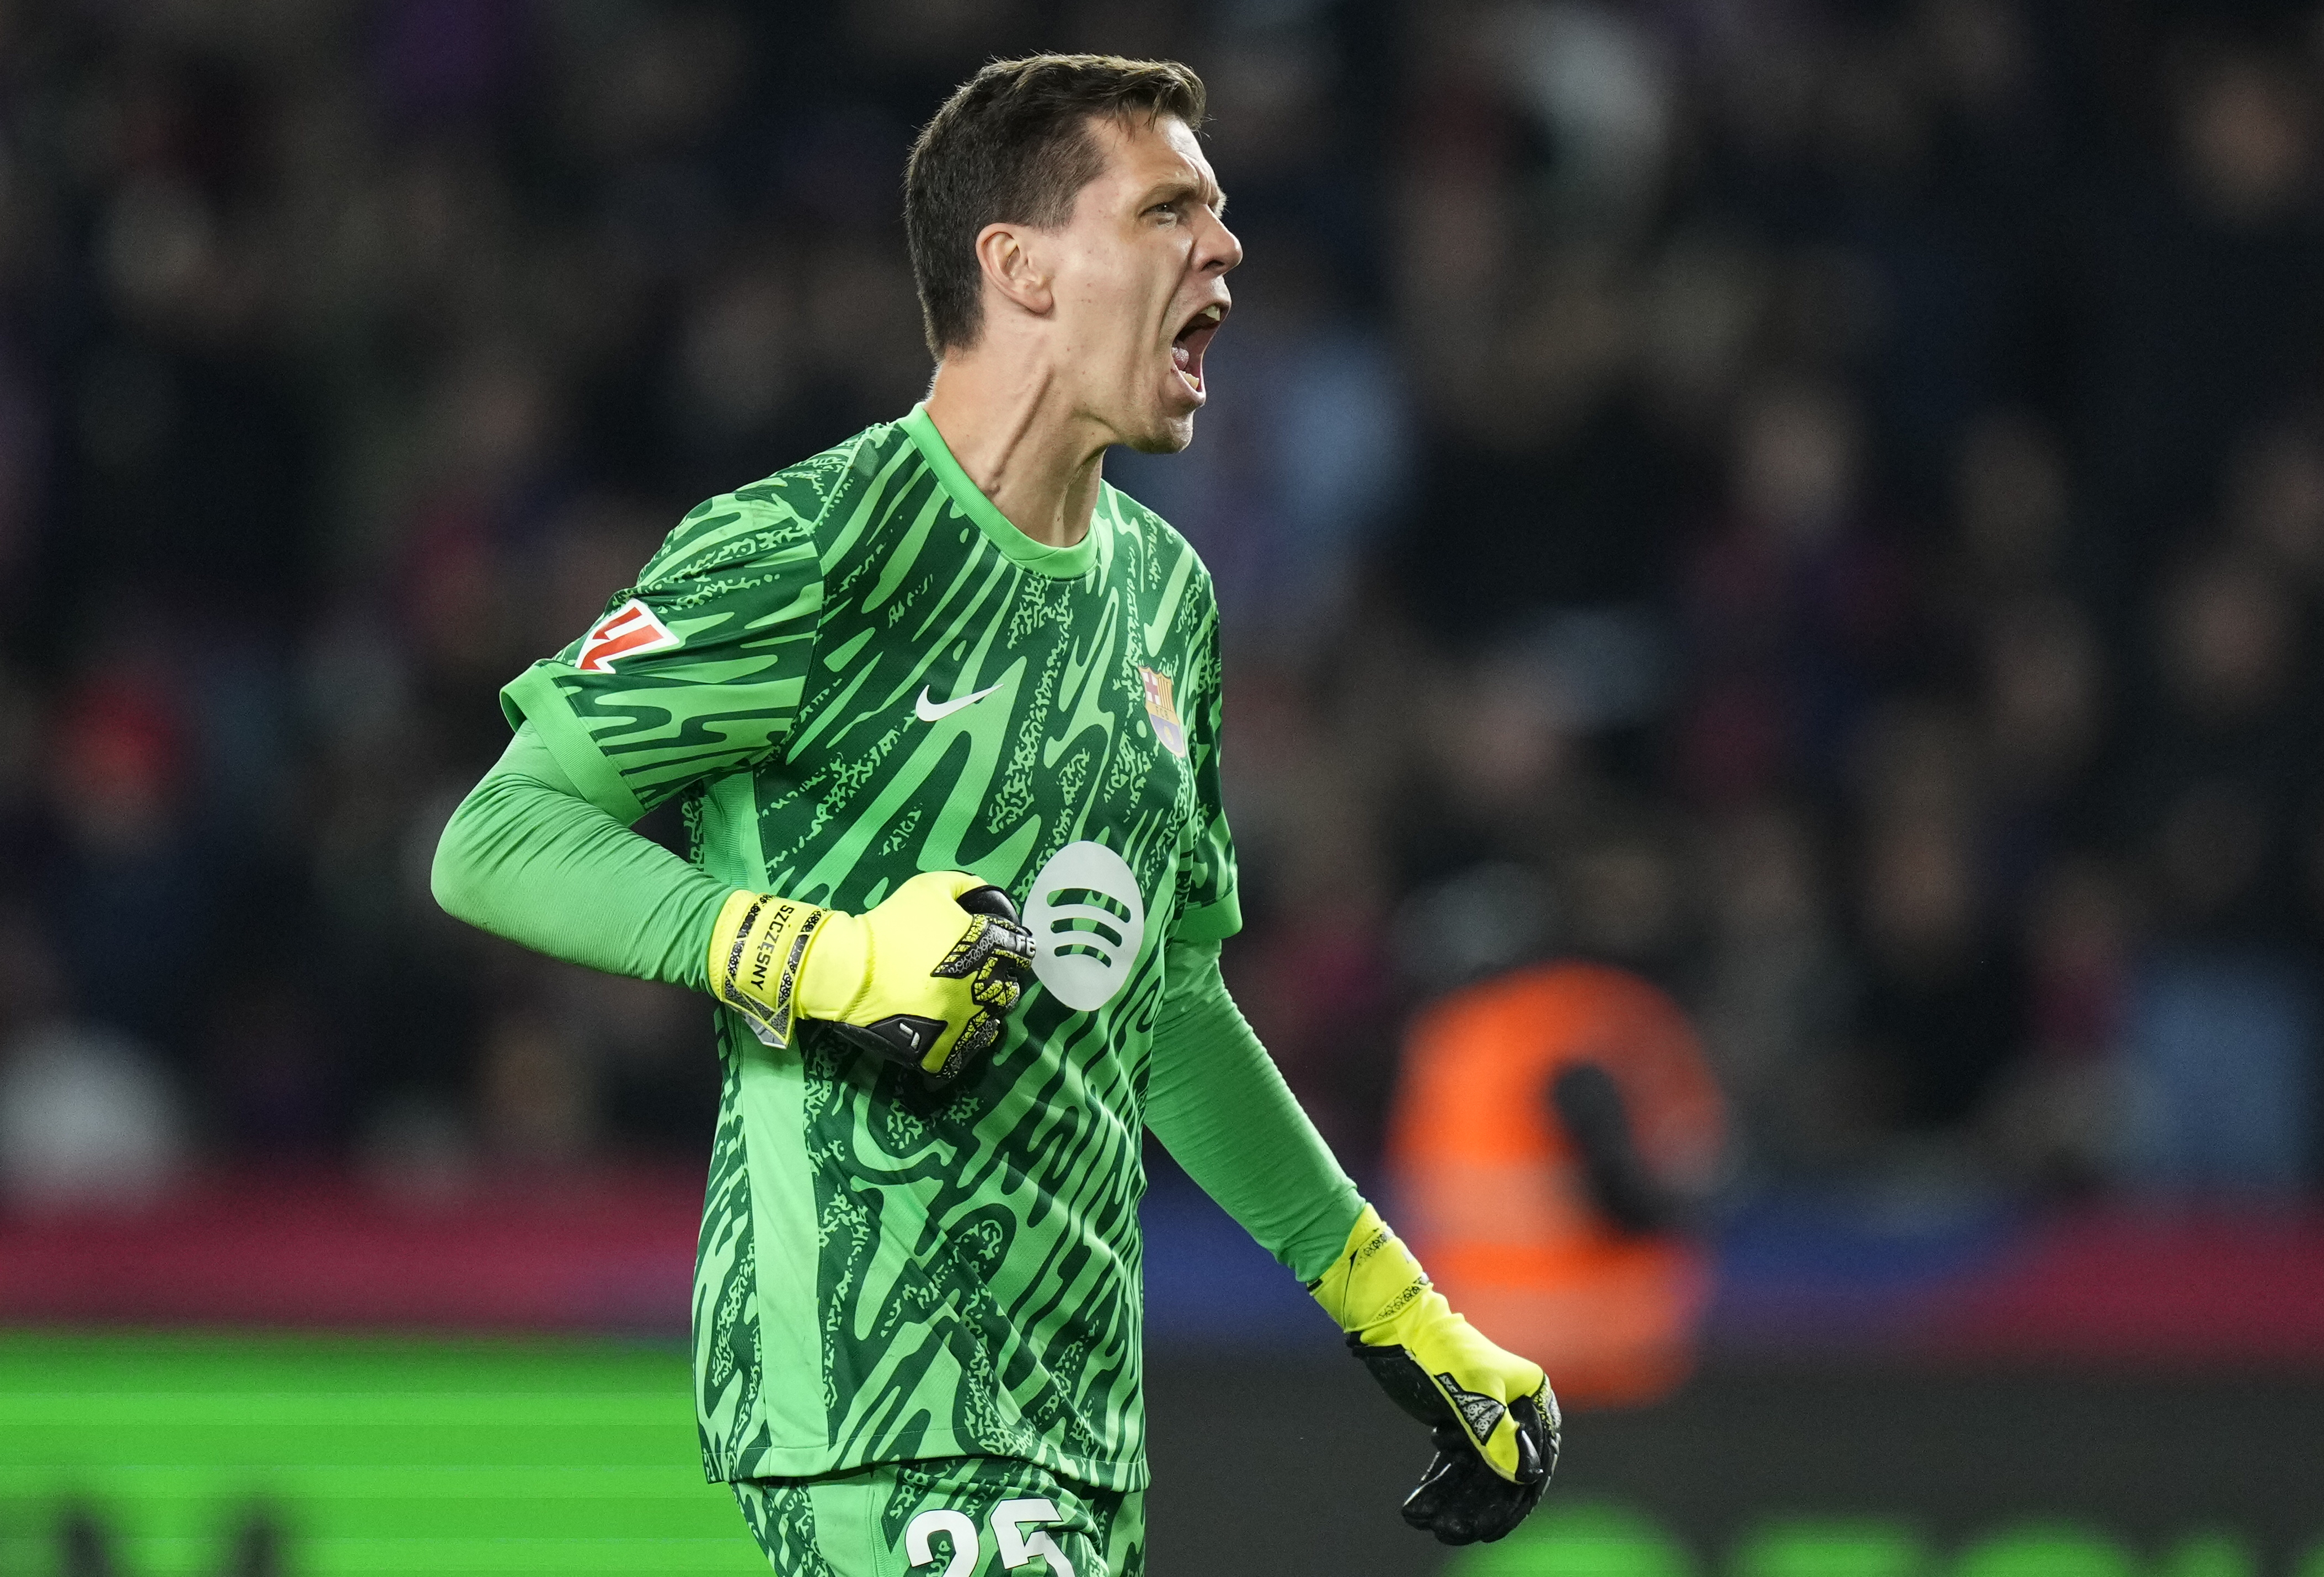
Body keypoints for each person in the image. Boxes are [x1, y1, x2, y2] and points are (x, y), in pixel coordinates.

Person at [431, 54, 1557, 1577]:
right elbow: (496, 837)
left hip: (1079, 1425)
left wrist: (1393, 1306)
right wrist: (819, 960)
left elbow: (1159, 1006)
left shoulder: (1166, 598)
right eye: (1169, 209)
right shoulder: (813, 547)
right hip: (874, 1385)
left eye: (1220, 216)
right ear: (1019, 268)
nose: (1224, 251)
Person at [1391, 961, 1726, 1407]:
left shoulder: (1457, 1034)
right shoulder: (1586, 1024)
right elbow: (1628, 1191)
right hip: (1606, 1330)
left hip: (1479, 1335)